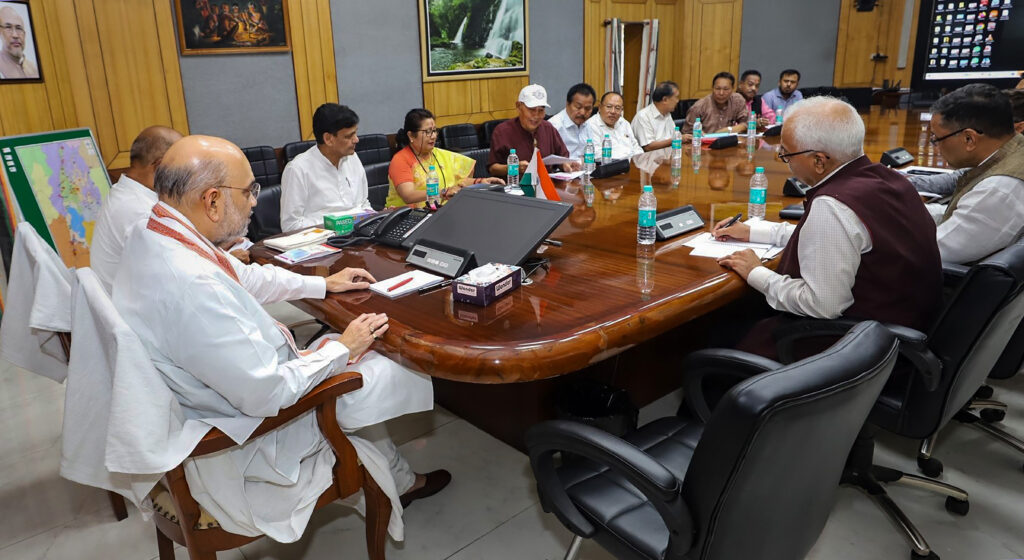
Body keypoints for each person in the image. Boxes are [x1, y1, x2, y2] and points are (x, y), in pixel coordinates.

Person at [112, 134, 450, 542]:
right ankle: (389, 474)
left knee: (353, 353)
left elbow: (245, 277)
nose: (256, 201)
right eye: (249, 190)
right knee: (397, 365)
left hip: (223, 392)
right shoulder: (191, 283)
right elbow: (268, 393)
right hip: (249, 440)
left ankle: (396, 476)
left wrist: (324, 284)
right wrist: (342, 348)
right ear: (212, 201)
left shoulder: (156, 232)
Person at [715, 97, 941, 338]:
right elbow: (834, 239)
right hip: (909, 324)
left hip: (855, 344)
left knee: (722, 329)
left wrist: (756, 272)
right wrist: (752, 231)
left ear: (819, 161)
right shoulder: (887, 178)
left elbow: (822, 304)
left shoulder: (832, 205)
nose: (785, 161)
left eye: (786, 154)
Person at [906, 84, 1024, 264]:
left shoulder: (999, 189)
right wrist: (899, 209)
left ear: (969, 139)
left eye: (936, 139)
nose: (935, 147)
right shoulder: (1013, 149)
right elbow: (964, 216)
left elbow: (929, 252)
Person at [91, 126, 184, 293]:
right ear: (159, 166)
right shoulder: (142, 212)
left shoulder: (123, 192)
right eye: (181, 169)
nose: (184, 178)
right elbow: (180, 275)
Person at [280, 103, 374, 231]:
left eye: (355, 133)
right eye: (348, 136)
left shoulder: (352, 158)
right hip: (322, 239)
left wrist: (377, 217)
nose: (356, 140)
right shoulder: (298, 169)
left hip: (358, 234)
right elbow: (290, 226)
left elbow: (363, 204)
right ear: (328, 139)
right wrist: (333, 224)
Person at [386, 108, 504, 207]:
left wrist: (480, 182)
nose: (433, 136)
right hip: (409, 218)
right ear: (411, 135)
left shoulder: (441, 155)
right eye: (428, 132)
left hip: (441, 212)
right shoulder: (401, 160)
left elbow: (459, 184)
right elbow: (408, 195)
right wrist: (443, 192)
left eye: (434, 131)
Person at [487, 84, 579, 177]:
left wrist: (565, 165)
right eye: (531, 110)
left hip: (546, 183)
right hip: (515, 184)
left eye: (541, 110)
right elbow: (493, 169)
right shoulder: (503, 131)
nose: (536, 115)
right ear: (518, 106)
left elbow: (562, 157)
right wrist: (514, 167)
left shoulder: (548, 128)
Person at [683, 72, 748, 135]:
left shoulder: (737, 100)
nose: (721, 93)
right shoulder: (699, 106)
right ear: (712, 88)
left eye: (726, 89)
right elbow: (687, 133)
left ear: (733, 89)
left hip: (729, 141)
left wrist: (728, 130)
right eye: (717, 89)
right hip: (705, 141)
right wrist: (699, 134)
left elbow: (746, 123)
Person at [586, 91, 643, 160]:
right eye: (609, 107)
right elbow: (597, 154)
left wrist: (640, 158)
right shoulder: (591, 125)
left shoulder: (624, 123)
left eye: (617, 108)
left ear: (622, 110)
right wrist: (627, 157)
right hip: (608, 165)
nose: (613, 111)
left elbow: (635, 146)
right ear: (600, 107)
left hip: (631, 163)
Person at [549, 83, 597, 159]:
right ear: (567, 104)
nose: (583, 112)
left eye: (587, 109)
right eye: (578, 107)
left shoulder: (587, 124)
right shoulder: (554, 126)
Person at [632, 81, 680, 151]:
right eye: (676, 97)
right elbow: (648, 147)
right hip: (650, 156)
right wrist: (677, 140)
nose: (677, 101)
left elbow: (674, 136)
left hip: (668, 154)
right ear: (665, 100)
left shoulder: (667, 114)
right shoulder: (643, 116)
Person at [0, 5, 38, 79]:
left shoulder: (34, 68)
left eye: (19, 28)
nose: (15, 35)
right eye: (8, 27)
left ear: (24, 34)